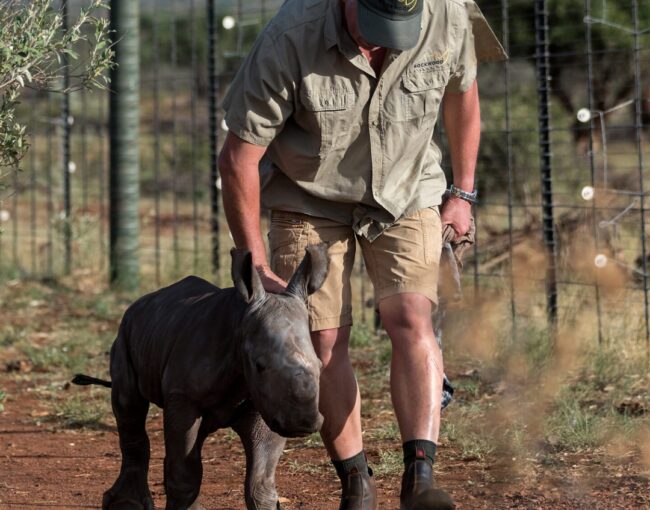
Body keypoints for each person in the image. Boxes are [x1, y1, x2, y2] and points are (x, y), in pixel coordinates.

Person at [218, 0, 506, 508]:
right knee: (323, 338)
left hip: (408, 187)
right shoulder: (290, 36)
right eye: (371, 27)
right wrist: (257, 264)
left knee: (411, 316)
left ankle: (420, 479)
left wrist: (462, 193)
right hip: (308, 195)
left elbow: (464, 96)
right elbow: (239, 157)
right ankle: (356, 480)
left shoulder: (448, 13)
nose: (381, 41)